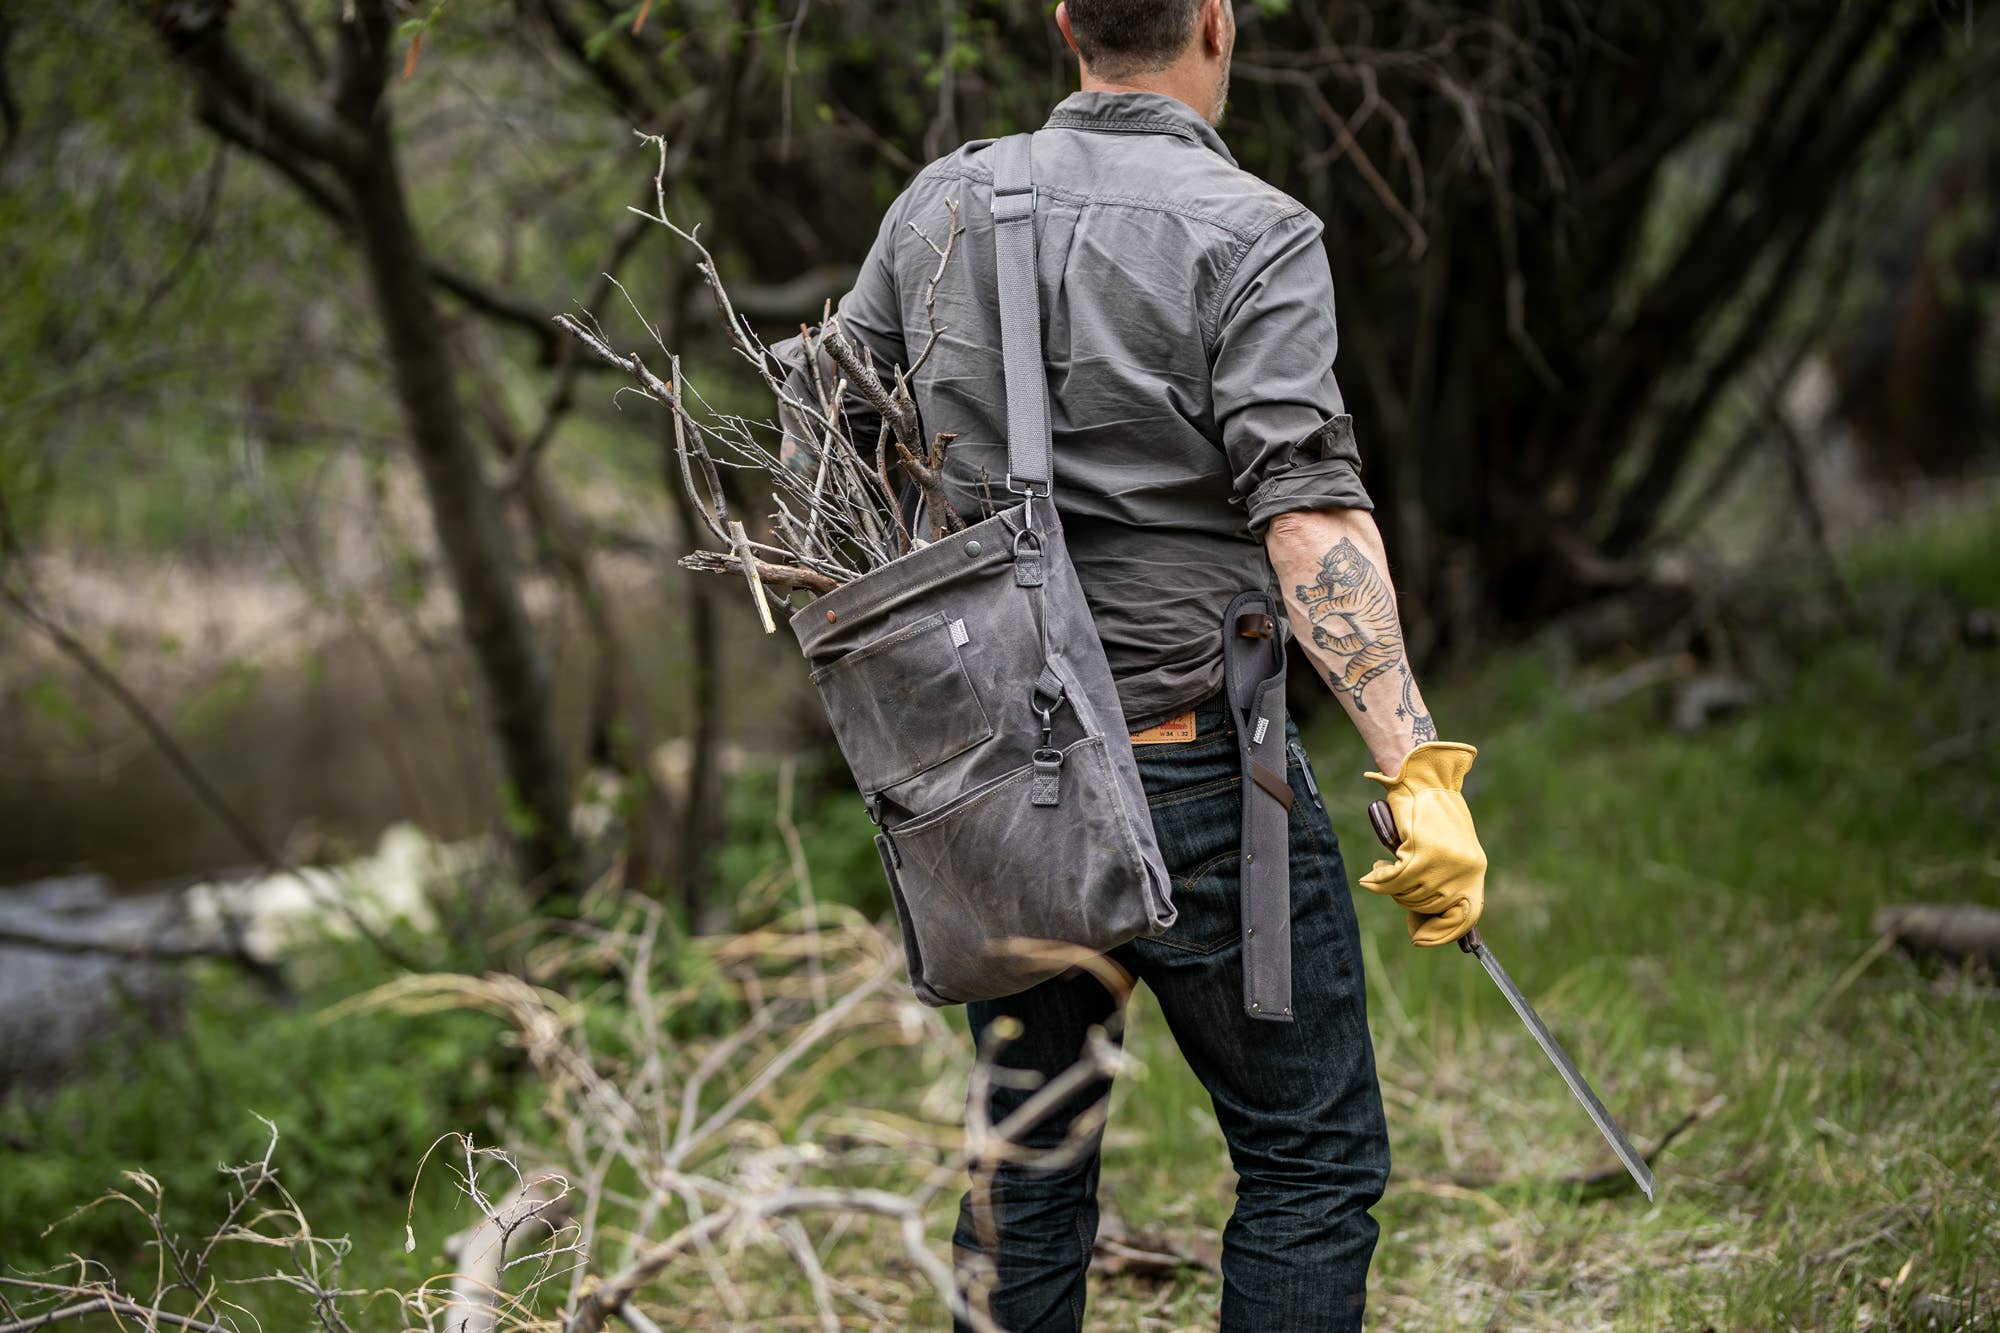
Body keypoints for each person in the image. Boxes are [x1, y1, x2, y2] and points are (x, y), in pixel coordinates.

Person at [777, 1, 1491, 1326]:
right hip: (1212, 778)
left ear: (1064, 24)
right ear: (1217, 23)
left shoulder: (933, 209)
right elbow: (1311, 521)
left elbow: (818, 456)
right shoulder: (1255, 234)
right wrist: (1419, 772)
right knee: (1310, 1155)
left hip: (997, 791)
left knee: (1026, 1169)